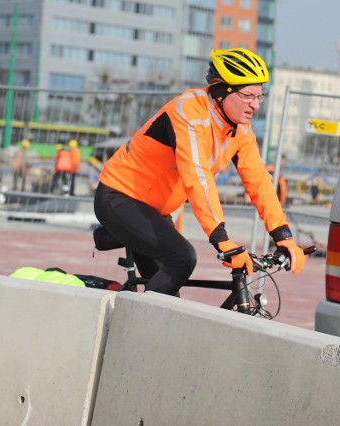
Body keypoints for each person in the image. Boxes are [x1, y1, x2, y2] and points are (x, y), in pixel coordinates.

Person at [94, 47, 306, 296]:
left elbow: (258, 181)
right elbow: (196, 175)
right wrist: (220, 238)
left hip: (155, 211)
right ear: (222, 93)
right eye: (248, 95)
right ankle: (128, 328)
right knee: (183, 259)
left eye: (260, 96)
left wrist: (282, 234)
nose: (256, 105)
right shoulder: (189, 112)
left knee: (168, 297)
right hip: (119, 197)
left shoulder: (240, 130)